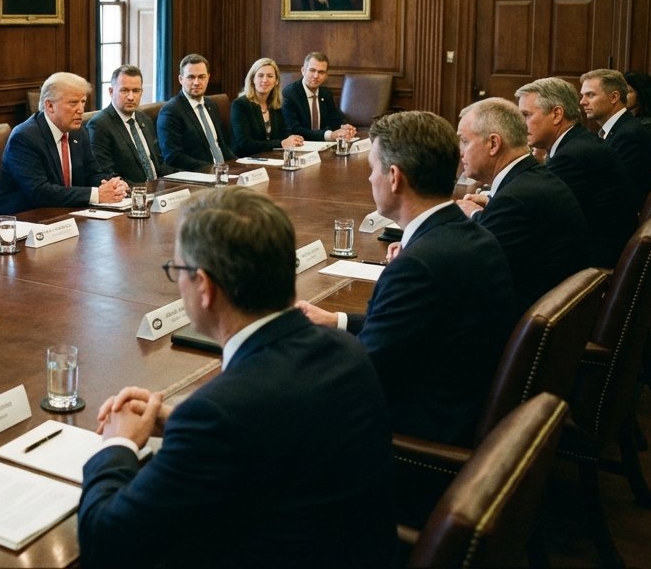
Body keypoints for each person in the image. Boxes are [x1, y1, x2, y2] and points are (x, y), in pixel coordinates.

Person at [78, 187, 395, 568]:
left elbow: (106, 543)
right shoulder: (346, 351)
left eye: (178, 270)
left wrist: (119, 444)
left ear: (205, 287)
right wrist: (177, 422)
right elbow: (272, 432)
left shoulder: (218, 414)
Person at [297, 111, 516, 446]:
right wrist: (336, 321)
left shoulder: (417, 265)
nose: (370, 178)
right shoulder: (471, 234)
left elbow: (365, 375)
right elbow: (409, 328)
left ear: (395, 177)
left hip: (419, 435)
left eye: (373, 169)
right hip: (461, 403)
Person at [455, 97, 589, 313]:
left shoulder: (515, 198)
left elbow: (472, 272)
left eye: (464, 141)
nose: (460, 151)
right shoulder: (531, 178)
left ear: (493, 144)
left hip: (518, 318)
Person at [515, 77, 636, 268]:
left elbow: (534, 216)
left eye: (526, 115)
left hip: (594, 264)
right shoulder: (578, 142)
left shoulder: (571, 156)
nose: (521, 125)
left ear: (556, 114)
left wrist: (478, 212)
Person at [0, 72, 129, 214]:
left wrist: (112, 186)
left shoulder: (78, 132)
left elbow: (92, 174)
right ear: (50, 106)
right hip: (24, 218)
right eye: (73, 103)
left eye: (83, 102)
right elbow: (40, 192)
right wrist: (97, 195)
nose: (81, 110)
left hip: (67, 213)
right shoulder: (24, 137)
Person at [580, 68, 651, 204]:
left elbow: (612, 189)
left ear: (614, 97)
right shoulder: (618, 129)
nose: (582, 102)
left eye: (590, 95)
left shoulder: (629, 134)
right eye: (582, 95)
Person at [85, 64, 174, 183]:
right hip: (130, 191)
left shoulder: (144, 119)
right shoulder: (99, 125)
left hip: (158, 186)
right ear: (111, 92)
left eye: (136, 91)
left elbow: (159, 163)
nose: (131, 97)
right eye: (124, 90)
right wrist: (141, 190)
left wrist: (182, 178)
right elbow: (106, 174)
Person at [156, 53, 238, 171]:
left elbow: (220, 145)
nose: (196, 82)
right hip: (197, 174)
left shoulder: (211, 104)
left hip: (221, 172)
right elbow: (173, 156)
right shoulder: (170, 111)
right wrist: (210, 168)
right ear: (181, 79)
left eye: (201, 77)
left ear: (208, 78)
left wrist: (239, 164)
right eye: (191, 77)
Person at [230, 56, 304, 155]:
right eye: (260, 75)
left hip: (271, 157)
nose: (265, 80)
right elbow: (245, 143)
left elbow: (284, 134)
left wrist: (293, 139)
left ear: (276, 81)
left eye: (270, 76)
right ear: (252, 79)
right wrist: (281, 143)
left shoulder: (276, 105)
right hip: (245, 159)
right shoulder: (240, 105)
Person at [281, 51, 357, 142]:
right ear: (303, 71)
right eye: (312, 70)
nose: (316, 76)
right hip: (301, 144)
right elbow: (295, 129)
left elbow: (335, 119)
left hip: (323, 145)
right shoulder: (289, 94)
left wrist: (345, 128)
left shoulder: (326, 93)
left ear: (326, 75)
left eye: (321, 72)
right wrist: (330, 135)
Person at [624, 70, 651, 141]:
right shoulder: (622, 117)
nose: (622, 95)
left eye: (628, 92)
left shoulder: (649, 124)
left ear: (641, 94)